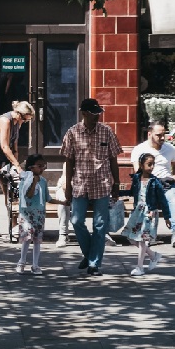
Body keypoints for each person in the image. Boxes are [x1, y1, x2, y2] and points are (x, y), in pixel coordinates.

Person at [60, 97, 121, 276]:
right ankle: (89, 253)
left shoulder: (107, 132)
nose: (97, 117)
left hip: (102, 183)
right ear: (84, 113)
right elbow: (69, 161)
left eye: (99, 113)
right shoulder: (72, 133)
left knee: (100, 225)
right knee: (76, 221)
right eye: (94, 114)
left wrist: (116, 183)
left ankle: (94, 263)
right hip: (80, 183)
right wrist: (68, 187)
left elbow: (113, 159)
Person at [0, 101, 35, 237]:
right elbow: (4, 146)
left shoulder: (17, 122)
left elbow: (14, 146)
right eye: (25, 119)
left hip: (6, 156)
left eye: (27, 121)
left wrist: (14, 163)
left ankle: (14, 224)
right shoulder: (5, 120)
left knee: (10, 191)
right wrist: (17, 165)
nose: (25, 122)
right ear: (19, 114)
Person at [130, 122, 175, 249]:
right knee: (147, 204)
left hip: (166, 183)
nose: (162, 138)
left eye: (164, 135)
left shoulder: (170, 148)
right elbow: (137, 171)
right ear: (149, 134)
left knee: (173, 200)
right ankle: (148, 233)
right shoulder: (140, 149)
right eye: (158, 135)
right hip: (149, 184)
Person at [127, 152, 170, 276]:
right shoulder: (136, 178)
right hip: (137, 212)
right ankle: (153, 255)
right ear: (141, 164)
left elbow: (163, 200)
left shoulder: (155, 182)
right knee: (130, 237)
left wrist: (167, 217)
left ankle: (140, 267)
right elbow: (131, 192)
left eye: (153, 164)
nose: (152, 167)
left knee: (142, 240)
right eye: (149, 164)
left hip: (149, 213)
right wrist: (116, 193)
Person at [15, 154, 48, 275]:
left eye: (43, 166)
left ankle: (35, 264)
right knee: (26, 239)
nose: (42, 169)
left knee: (37, 240)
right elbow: (28, 195)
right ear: (31, 167)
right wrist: (34, 182)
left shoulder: (43, 181)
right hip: (26, 214)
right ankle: (22, 262)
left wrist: (63, 202)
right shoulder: (25, 180)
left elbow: (47, 197)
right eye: (39, 166)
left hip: (39, 214)